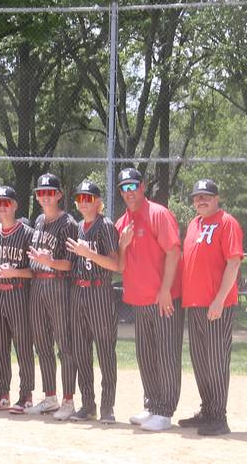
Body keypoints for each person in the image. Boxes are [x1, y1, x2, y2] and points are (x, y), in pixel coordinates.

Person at [115, 168, 183, 432]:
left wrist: (165, 289)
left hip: (164, 298)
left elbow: (174, 251)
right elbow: (120, 266)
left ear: (142, 186)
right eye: (124, 188)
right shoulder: (123, 223)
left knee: (166, 354)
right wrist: (123, 243)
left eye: (133, 186)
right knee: (146, 354)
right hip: (140, 300)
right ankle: (152, 404)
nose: (129, 192)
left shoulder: (158, 213)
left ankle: (165, 412)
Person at [178, 179, 242, 436]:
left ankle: (219, 417)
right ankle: (207, 411)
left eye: (206, 196)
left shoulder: (227, 222)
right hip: (194, 304)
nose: (201, 200)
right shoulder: (194, 224)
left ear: (217, 198)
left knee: (216, 361)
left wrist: (219, 300)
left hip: (218, 305)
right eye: (196, 197)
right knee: (201, 361)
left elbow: (234, 263)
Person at [65, 181, 119, 423]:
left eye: (89, 198)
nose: (84, 202)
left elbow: (115, 265)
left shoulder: (105, 225)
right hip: (78, 293)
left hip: (100, 292)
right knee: (80, 351)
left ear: (98, 202)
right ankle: (88, 404)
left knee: (105, 350)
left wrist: (90, 254)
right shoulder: (77, 227)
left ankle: (107, 407)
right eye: (80, 198)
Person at [24, 174, 78, 417]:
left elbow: (70, 264)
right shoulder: (38, 220)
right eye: (40, 193)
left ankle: (68, 400)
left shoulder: (68, 223)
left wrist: (50, 261)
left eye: (49, 192)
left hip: (58, 286)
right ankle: (50, 397)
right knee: (42, 344)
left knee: (64, 344)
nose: (45, 196)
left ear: (59, 195)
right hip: (37, 286)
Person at [0, 186, 35, 414]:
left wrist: (15, 272)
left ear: (15, 205)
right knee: (0, 346)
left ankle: (26, 395)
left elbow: (36, 270)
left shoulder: (27, 233)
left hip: (18, 293)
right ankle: (2, 393)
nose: (2, 207)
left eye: (6, 202)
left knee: (23, 345)